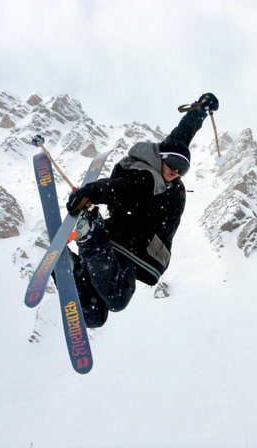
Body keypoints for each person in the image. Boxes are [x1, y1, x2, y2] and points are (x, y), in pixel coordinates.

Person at [63, 92, 220, 327]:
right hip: (127, 242)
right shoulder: (148, 179)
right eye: (174, 164)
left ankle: (69, 268)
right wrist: (92, 192)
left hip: (132, 251)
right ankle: (90, 234)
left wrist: (200, 111)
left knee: (94, 315)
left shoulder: (167, 173)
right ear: (162, 158)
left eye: (183, 168)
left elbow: (182, 137)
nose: (177, 171)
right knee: (117, 299)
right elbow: (118, 188)